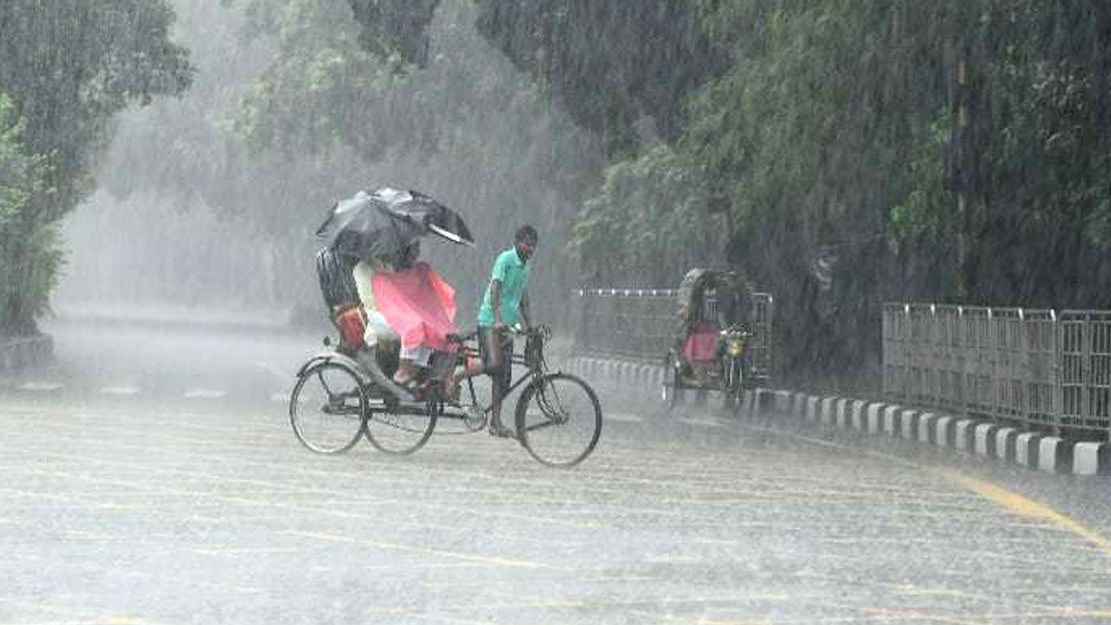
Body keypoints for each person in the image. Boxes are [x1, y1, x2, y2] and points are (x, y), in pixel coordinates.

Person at [450, 225, 538, 437]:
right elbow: (495, 288)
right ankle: (457, 376)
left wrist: (530, 326)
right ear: (517, 242)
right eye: (526, 243)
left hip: (510, 326)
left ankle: (495, 423)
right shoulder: (505, 259)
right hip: (490, 321)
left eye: (533, 245)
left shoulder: (526, 267)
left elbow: (523, 298)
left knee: (504, 377)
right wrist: (498, 319)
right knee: (495, 366)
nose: (530, 248)